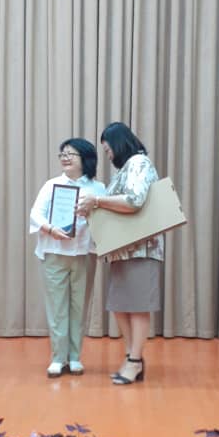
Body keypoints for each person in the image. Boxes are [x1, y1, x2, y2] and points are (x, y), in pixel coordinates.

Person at [77, 122, 163, 385]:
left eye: (108, 149)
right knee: (120, 306)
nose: (108, 155)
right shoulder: (125, 169)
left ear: (118, 143)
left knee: (137, 307)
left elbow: (134, 200)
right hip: (122, 250)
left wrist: (97, 201)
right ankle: (131, 357)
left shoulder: (139, 162)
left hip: (140, 248)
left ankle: (134, 361)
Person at [30, 138, 105, 377]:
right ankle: (57, 358)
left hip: (84, 254)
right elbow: (36, 214)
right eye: (62, 154)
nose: (65, 158)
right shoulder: (51, 185)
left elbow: (106, 221)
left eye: (71, 154)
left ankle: (74, 357)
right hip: (54, 252)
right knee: (57, 308)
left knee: (79, 306)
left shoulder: (98, 189)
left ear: (86, 158)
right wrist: (51, 229)